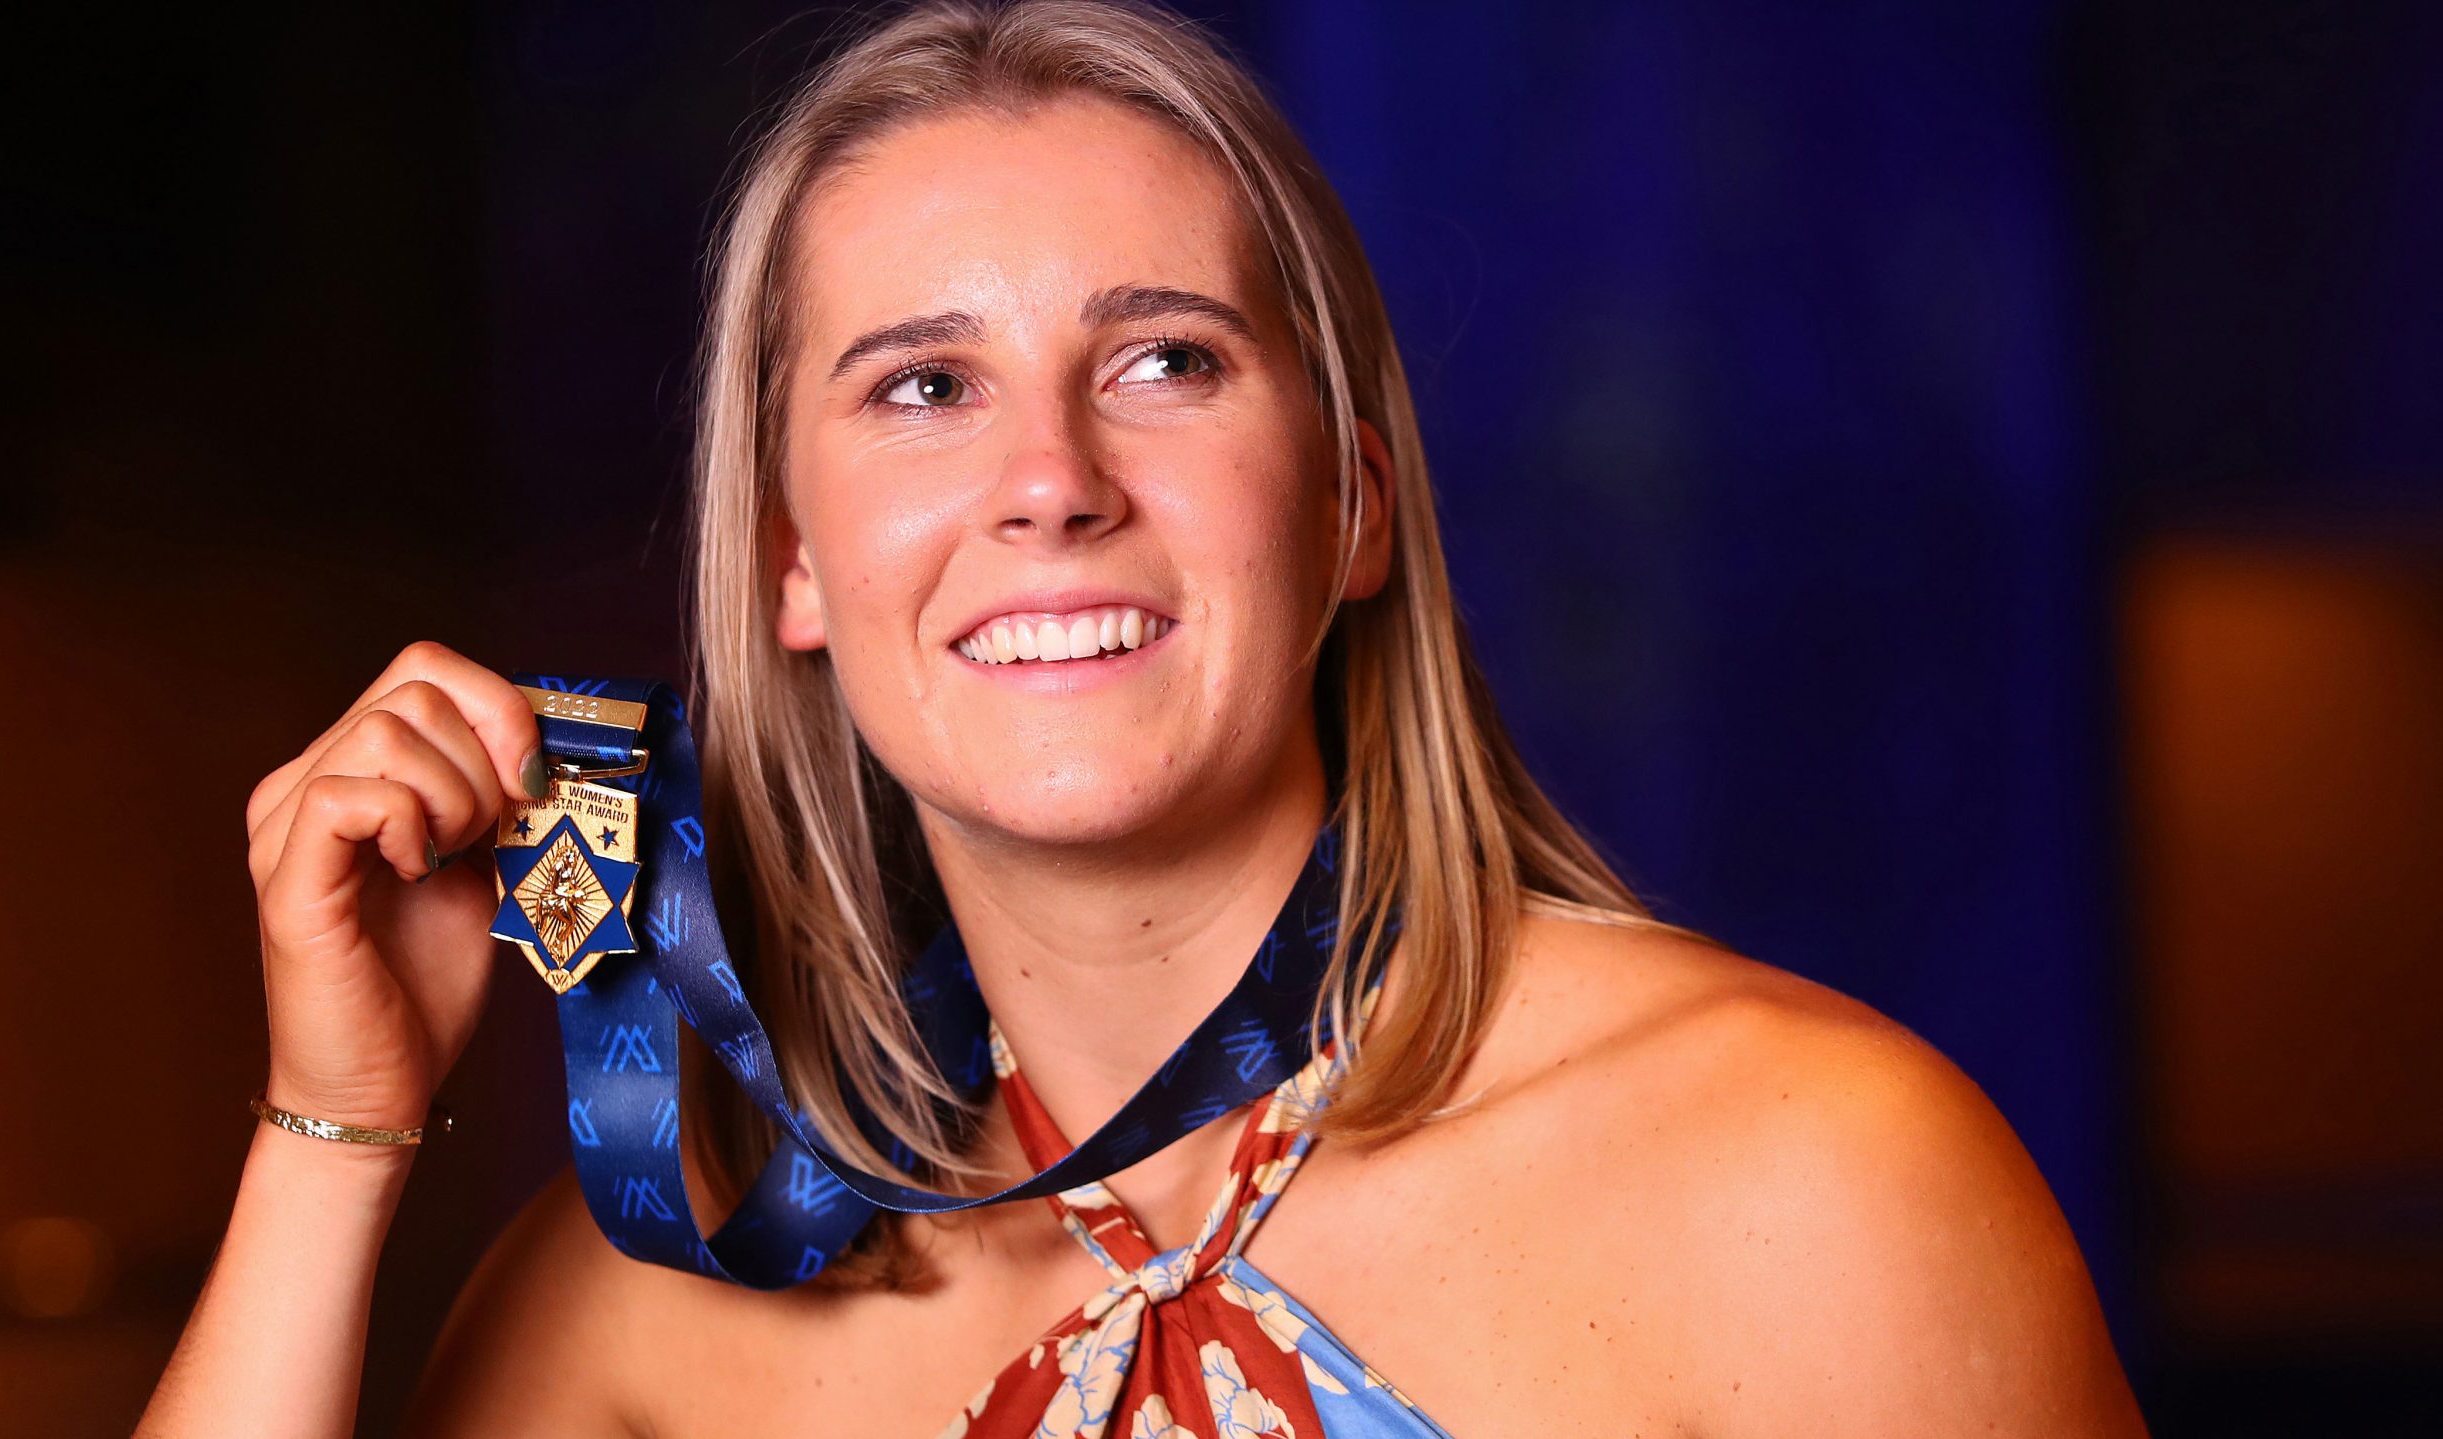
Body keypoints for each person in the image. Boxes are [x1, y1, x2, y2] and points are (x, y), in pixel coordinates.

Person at [136, 2, 2148, 1434]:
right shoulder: (645, 1321)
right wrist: (340, 1132)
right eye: (920, 386)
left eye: (1166, 359)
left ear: (1351, 499)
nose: (1047, 479)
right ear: (789, 569)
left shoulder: (1814, 1185)